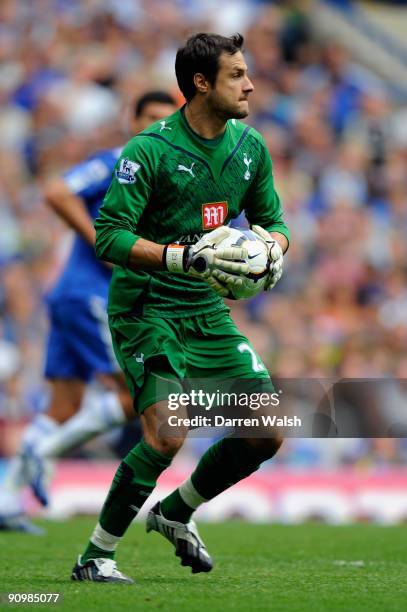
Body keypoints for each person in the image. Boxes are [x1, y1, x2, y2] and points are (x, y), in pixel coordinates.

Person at [71, 33, 289, 584]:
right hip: (147, 306)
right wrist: (177, 256)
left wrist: (271, 250)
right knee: (169, 433)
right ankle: (96, 555)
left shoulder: (249, 148)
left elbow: (276, 223)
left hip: (206, 309)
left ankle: (175, 511)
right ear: (201, 83)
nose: (250, 84)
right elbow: (108, 236)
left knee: (266, 431)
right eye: (237, 74)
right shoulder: (149, 150)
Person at [0, 91, 177, 534]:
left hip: (77, 297)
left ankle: (6, 501)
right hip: (91, 296)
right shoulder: (120, 161)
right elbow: (58, 191)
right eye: (149, 118)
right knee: (136, 393)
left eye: (165, 120)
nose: (157, 127)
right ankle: (45, 452)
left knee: (64, 404)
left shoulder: (162, 178)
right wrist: (102, 241)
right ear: (130, 119)